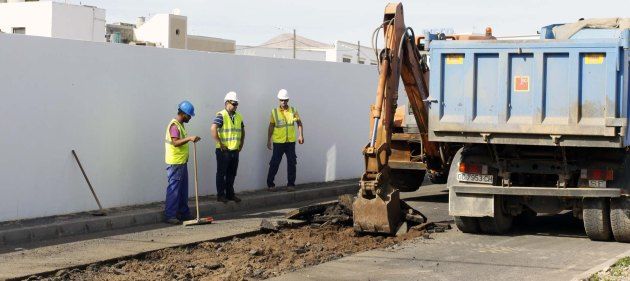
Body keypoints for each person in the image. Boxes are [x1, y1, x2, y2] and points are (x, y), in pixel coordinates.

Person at [164, 101, 201, 224]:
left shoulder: (180, 125)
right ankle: (170, 215)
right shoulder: (174, 126)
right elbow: (175, 142)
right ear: (184, 114)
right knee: (174, 189)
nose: (190, 118)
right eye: (189, 115)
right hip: (175, 163)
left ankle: (183, 213)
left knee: (183, 190)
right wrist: (189, 138)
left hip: (181, 162)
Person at [266, 89, 304, 192]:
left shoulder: (293, 110)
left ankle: (291, 184)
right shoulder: (274, 112)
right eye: (282, 100)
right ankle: (270, 184)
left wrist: (301, 135)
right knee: (274, 163)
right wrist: (269, 140)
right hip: (278, 142)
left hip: (290, 142)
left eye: (285, 100)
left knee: (292, 162)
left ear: (288, 100)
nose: (284, 102)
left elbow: (299, 123)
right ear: (279, 100)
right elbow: (271, 126)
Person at [211, 91, 244, 203]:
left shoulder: (238, 116)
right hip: (223, 151)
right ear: (227, 103)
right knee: (221, 173)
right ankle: (221, 195)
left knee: (231, 174)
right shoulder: (221, 115)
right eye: (234, 104)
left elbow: (242, 130)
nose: (235, 106)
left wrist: (241, 143)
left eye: (236, 104)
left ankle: (230, 194)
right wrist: (220, 143)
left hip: (235, 150)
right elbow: (213, 128)